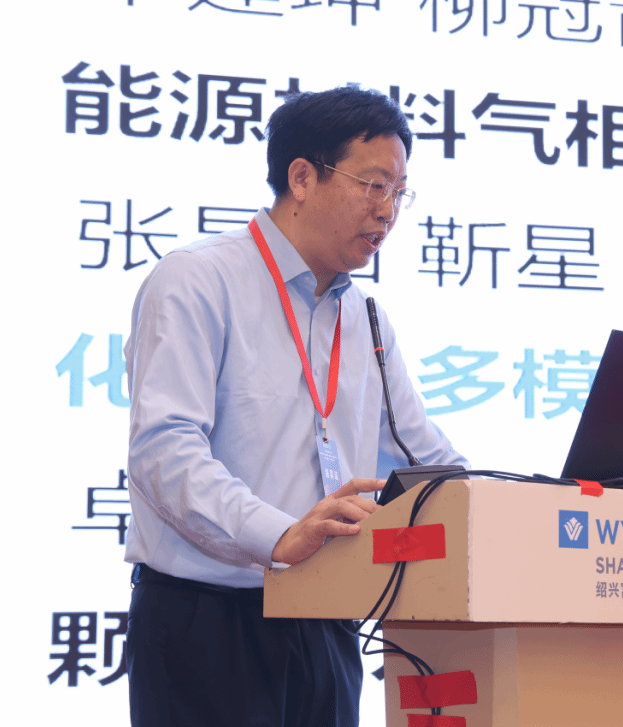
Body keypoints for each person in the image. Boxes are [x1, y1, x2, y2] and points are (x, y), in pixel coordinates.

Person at [124, 86, 468, 727]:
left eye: (399, 192)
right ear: (303, 177)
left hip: (327, 621)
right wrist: (279, 535)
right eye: (374, 185)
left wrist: (513, 504)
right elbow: (163, 451)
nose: (388, 212)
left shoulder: (364, 316)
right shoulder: (198, 281)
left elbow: (423, 455)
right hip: (209, 621)